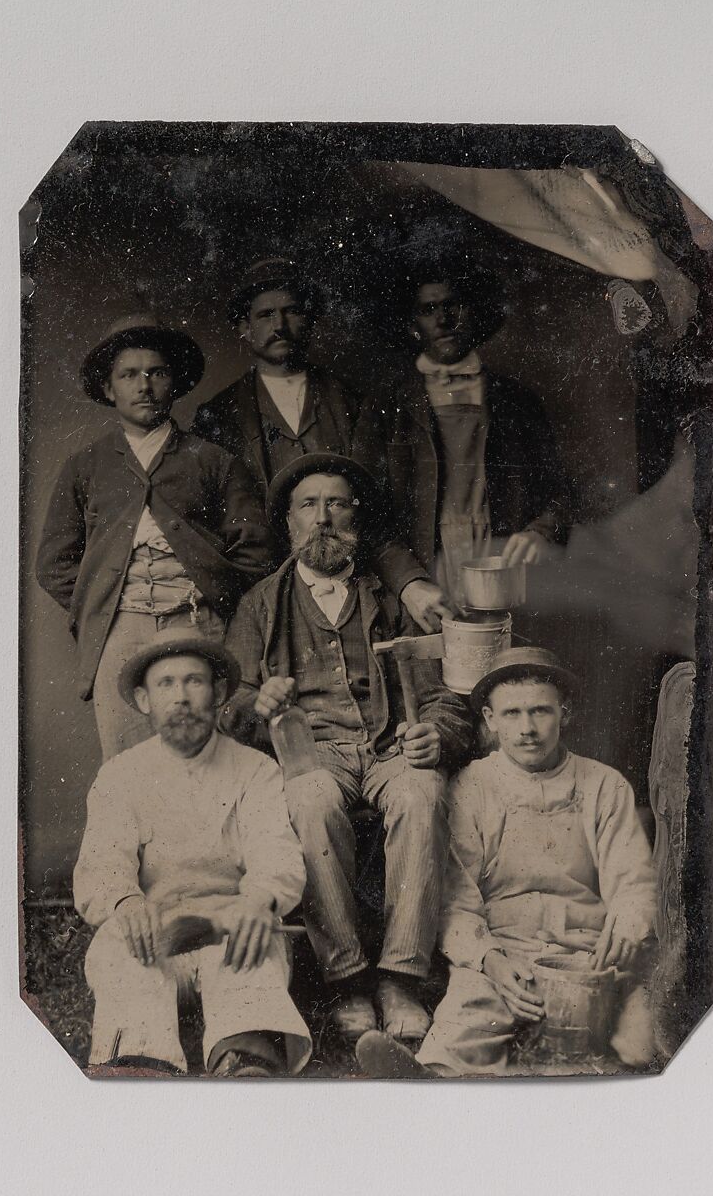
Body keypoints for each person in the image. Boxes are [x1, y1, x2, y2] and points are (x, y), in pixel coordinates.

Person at [220, 453, 473, 1047]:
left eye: (336, 504)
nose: (323, 519)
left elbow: (449, 694)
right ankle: (349, 978)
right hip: (314, 751)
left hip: (390, 745)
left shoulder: (393, 595)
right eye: (309, 506)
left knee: (423, 787)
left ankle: (401, 977)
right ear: (289, 523)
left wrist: (435, 731)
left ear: (356, 517)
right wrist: (259, 704)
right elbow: (230, 703)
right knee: (308, 800)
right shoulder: (261, 603)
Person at [356, 646, 657, 1078]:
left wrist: (627, 927)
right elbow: (456, 898)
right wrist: (489, 960)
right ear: (490, 721)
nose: (527, 729)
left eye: (540, 712)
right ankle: (425, 1082)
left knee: (634, 1045)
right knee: (465, 1023)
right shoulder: (471, 787)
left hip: (588, 951)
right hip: (505, 951)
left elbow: (633, 881)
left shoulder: (604, 786)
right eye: (511, 714)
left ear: (565, 714)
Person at [73, 632, 312, 1077]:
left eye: (194, 682)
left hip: (230, 923)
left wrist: (260, 901)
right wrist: (126, 901)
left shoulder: (255, 770)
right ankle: (143, 1067)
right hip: (154, 931)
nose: (181, 697)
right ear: (144, 700)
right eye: (165, 685)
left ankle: (244, 1063)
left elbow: (275, 851)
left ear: (219, 693)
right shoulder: (120, 776)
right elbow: (102, 864)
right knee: (125, 961)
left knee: (251, 955)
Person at [36, 313, 273, 760]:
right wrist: (103, 600)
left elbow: (255, 552)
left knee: (205, 755)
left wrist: (211, 598)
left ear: (174, 383)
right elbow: (53, 563)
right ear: (109, 389)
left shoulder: (214, 460)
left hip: (196, 621)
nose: (143, 385)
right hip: (119, 629)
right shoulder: (85, 466)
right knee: (126, 762)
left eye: (156, 372)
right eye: (128, 375)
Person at [191, 258, 450, 632]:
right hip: (262, 602)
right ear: (244, 328)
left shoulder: (356, 405)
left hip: (351, 588)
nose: (279, 326)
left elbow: (378, 516)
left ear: (309, 321)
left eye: (291, 312)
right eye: (265, 315)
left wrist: (409, 582)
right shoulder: (216, 417)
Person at [354, 255, 573, 607]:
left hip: (503, 563)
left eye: (451, 305)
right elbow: (363, 513)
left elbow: (561, 492)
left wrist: (541, 531)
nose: (442, 320)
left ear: (472, 311)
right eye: (428, 310)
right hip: (422, 572)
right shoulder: (385, 405)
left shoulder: (517, 400)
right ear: (413, 323)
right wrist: (407, 582)